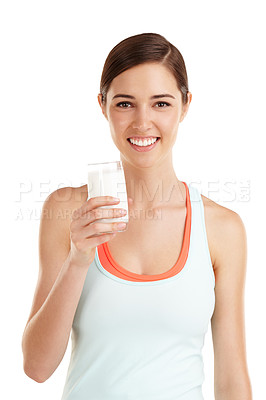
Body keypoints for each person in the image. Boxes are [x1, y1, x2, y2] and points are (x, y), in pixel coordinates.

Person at [22, 33, 252, 399]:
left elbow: (232, 374)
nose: (142, 122)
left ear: (185, 104)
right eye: (125, 104)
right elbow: (36, 367)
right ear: (103, 105)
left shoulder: (222, 228)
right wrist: (79, 258)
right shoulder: (66, 211)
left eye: (161, 104)